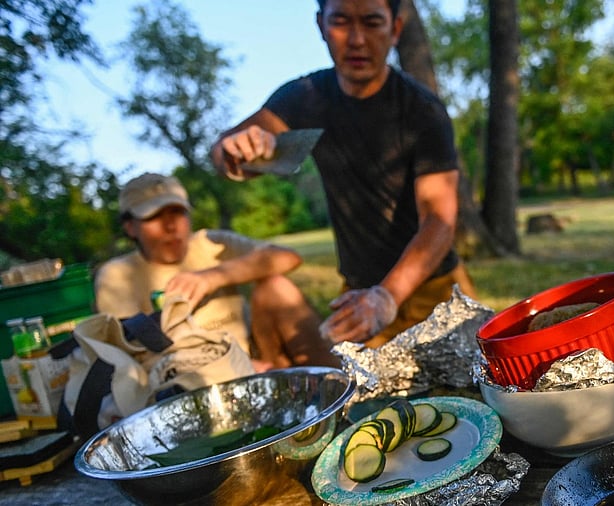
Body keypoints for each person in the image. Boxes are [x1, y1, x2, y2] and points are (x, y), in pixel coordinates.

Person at [209, 0, 476, 348]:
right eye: (341, 22)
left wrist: (386, 297)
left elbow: (439, 220)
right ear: (321, 25)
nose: (357, 40)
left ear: (395, 29)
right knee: (362, 400)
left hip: (435, 288)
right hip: (358, 295)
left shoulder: (422, 110)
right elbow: (222, 152)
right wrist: (240, 148)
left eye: (371, 22)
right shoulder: (305, 97)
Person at [93, 172, 338, 370]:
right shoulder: (118, 277)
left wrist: (214, 276)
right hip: (190, 379)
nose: (171, 226)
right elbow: (130, 360)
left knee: (276, 288)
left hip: (262, 357)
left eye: (177, 212)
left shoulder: (210, 243)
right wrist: (235, 369)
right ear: (130, 227)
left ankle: (336, 389)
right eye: (154, 216)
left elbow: (287, 257)